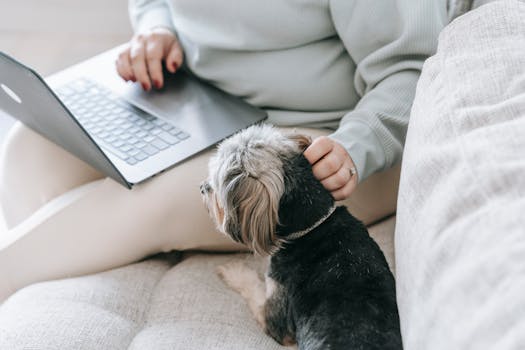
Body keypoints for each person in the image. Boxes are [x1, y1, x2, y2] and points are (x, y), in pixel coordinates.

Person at [0, 0, 447, 302]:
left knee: (141, 204)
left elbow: (411, 69)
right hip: (199, 100)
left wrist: (356, 144)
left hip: (330, 140)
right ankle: (80, 269)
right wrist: (157, 28)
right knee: (30, 153)